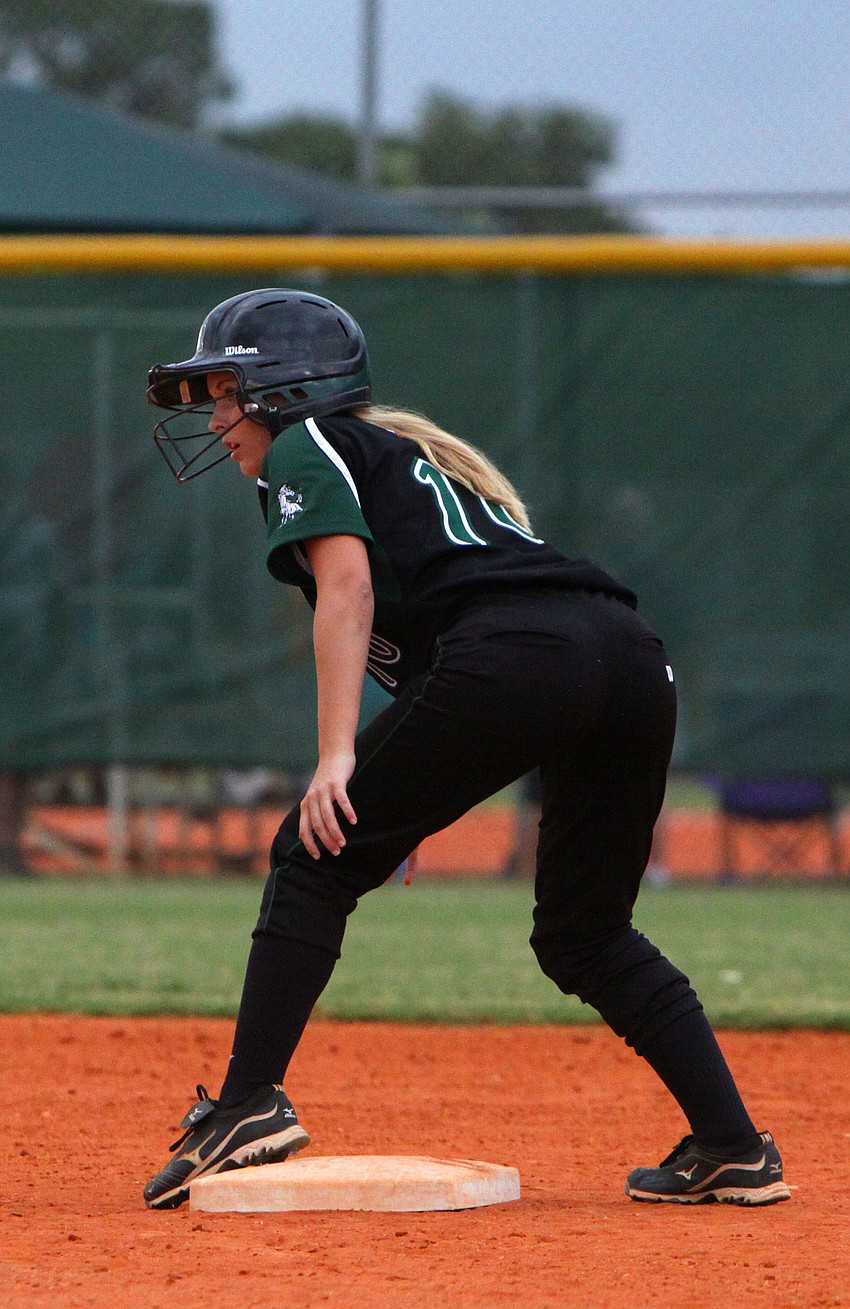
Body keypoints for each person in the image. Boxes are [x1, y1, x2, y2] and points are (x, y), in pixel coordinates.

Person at [143, 288, 790, 1210]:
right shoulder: (398, 459)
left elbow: (349, 592)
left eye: (226, 390)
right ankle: (733, 1145)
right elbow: (445, 648)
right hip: (630, 658)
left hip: (525, 652)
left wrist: (337, 757)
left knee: (310, 851)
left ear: (285, 389)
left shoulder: (305, 445)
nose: (215, 416)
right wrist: (406, 782)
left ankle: (248, 1102)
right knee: (585, 932)